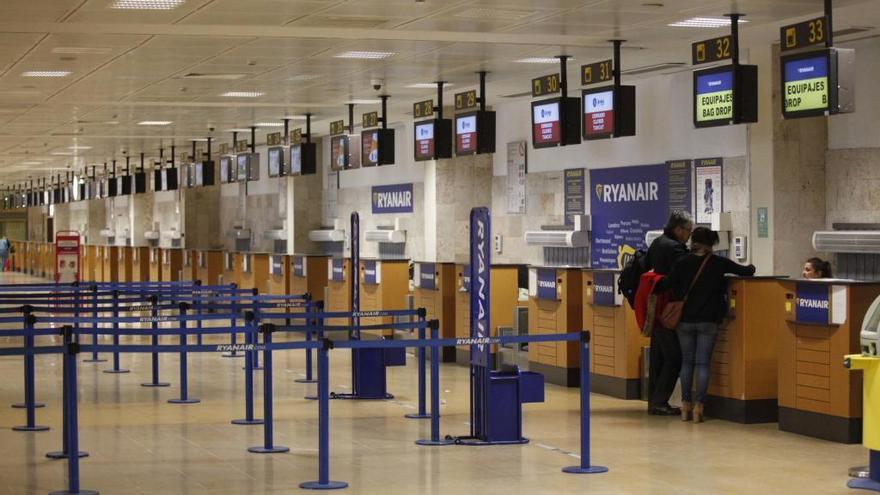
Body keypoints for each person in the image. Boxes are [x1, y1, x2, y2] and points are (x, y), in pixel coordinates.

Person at [663, 227, 755, 423]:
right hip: (709, 321)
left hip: (685, 320)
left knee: (687, 363)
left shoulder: (681, 261)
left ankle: (685, 406)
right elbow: (747, 270)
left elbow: (667, 283)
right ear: (712, 243)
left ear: (693, 241)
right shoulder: (718, 263)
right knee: (703, 363)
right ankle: (699, 407)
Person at [644, 210, 692, 416]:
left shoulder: (657, 243)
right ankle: (659, 401)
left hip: (654, 305)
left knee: (658, 355)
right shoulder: (675, 249)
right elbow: (683, 275)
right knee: (674, 356)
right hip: (669, 308)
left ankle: (654, 401)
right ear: (678, 229)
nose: (689, 235)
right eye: (688, 231)